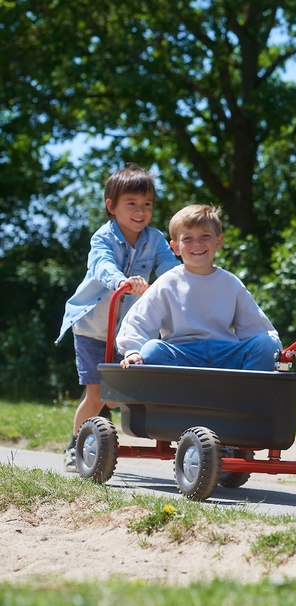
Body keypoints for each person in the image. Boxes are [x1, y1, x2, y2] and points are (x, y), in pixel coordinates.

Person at [57, 164, 179, 470]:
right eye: (132, 204)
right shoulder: (103, 237)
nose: (140, 212)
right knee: (97, 393)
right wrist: (123, 282)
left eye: (147, 205)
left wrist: (181, 286)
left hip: (128, 329)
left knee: (119, 395)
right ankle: (75, 446)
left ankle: (102, 425)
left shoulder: (155, 239)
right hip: (93, 327)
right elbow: (102, 266)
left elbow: (169, 267)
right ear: (111, 206)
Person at [115, 204, 282, 371]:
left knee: (266, 343)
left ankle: (244, 393)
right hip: (182, 354)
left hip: (224, 353)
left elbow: (256, 326)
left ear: (218, 241)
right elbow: (140, 321)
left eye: (205, 236)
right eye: (187, 238)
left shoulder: (230, 283)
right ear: (176, 248)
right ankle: (178, 393)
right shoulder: (167, 283)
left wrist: (271, 351)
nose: (197, 244)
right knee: (152, 349)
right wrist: (132, 350)